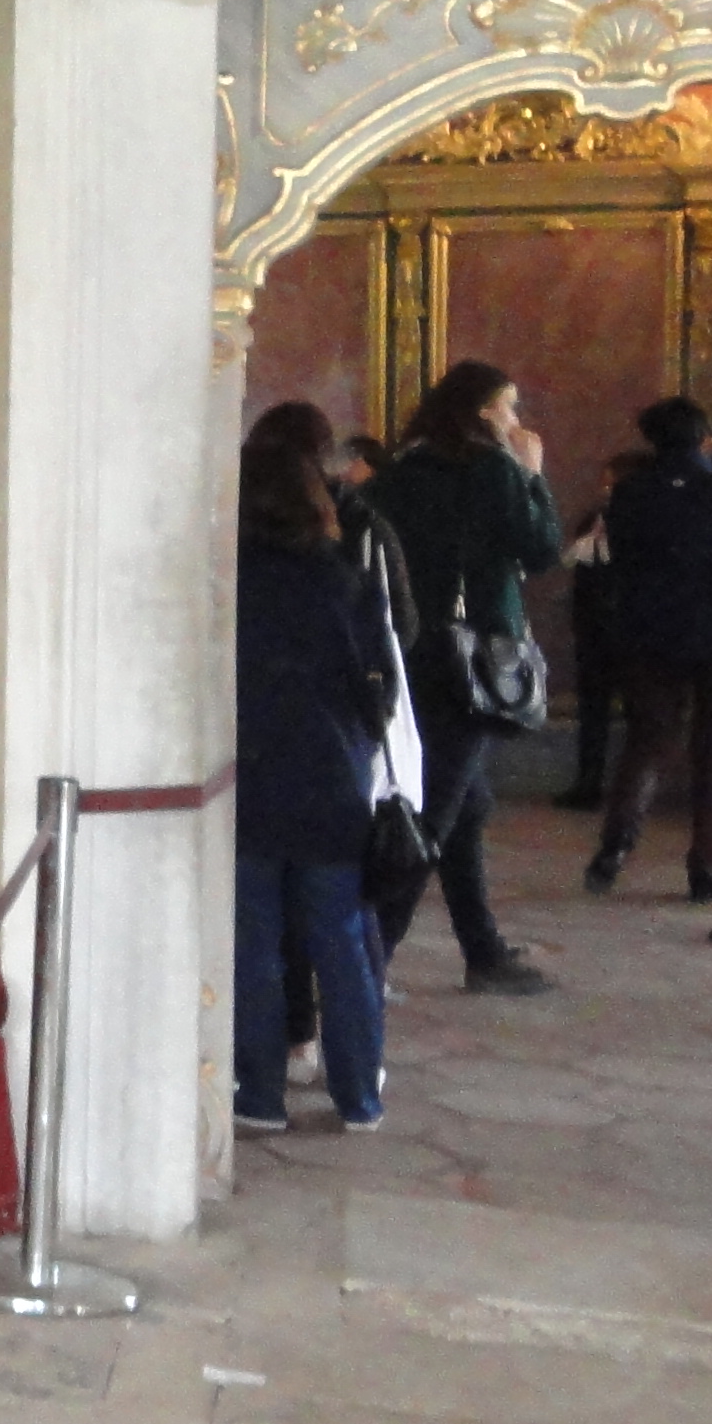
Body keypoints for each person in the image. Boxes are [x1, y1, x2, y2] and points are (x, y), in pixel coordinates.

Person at [371, 361, 565, 995]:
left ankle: (482, 950)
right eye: (509, 406)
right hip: (471, 661)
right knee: (431, 815)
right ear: (484, 411)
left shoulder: (402, 470)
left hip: (414, 654)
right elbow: (541, 548)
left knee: (465, 805)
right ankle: (369, 960)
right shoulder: (493, 470)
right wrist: (531, 475)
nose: (515, 418)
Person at [232, 431, 391, 1131]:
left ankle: (260, 1094)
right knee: (342, 941)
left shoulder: (230, 582)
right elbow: (380, 688)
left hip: (252, 775)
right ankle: (359, 1097)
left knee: (256, 946)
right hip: (332, 776)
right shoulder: (345, 580)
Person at [588, 399, 712, 903]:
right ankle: (706, 867)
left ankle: (614, 849)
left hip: (647, 629)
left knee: (647, 741)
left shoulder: (629, 492)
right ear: (705, 439)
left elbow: (619, 561)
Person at [552, 459, 636, 812]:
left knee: (637, 713)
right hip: (594, 628)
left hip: (631, 629)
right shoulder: (593, 520)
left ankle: (630, 789)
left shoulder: (641, 522)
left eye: (611, 483)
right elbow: (578, 566)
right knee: (592, 710)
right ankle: (589, 782)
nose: (605, 490)